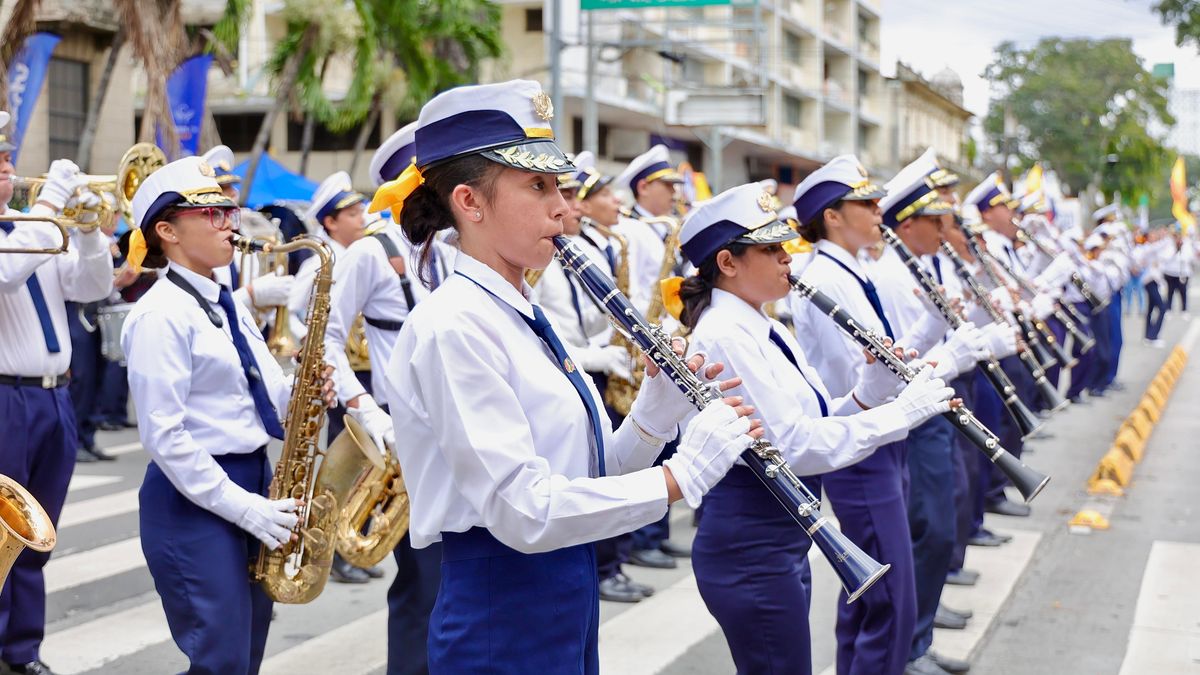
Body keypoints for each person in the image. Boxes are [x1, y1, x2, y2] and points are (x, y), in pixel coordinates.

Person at [369, 78, 759, 672]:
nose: (564, 207)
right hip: (503, 599)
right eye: (538, 186)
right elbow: (524, 510)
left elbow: (592, 473)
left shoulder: (522, 310)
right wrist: (685, 475)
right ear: (470, 203)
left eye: (560, 186)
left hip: (563, 584)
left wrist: (655, 417)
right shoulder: (453, 326)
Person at [676, 181, 955, 675]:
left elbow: (815, 420)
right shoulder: (723, 334)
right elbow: (795, 447)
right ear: (727, 262)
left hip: (778, 537)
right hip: (750, 543)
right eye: (770, 248)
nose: (788, 257)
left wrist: (871, 387)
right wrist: (901, 414)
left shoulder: (762, 326)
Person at [121, 155, 336, 674]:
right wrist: (245, 509)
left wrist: (303, 391)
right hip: (194, 499)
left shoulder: (224, 302)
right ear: (168, 231)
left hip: (252, 479)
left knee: (246, 652)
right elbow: (165, 436)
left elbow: (257, 392)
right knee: (219, 657)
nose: (229, 222)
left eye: (227, 211)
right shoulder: (158, 315)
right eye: (211, 214)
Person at [788, 155, 921, 675]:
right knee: (891, 603)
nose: (877, 209)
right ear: (832, 216)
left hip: (878, 439)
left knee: (868, 597)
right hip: (860, 445)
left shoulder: (855, 270)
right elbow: (857, 374)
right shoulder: (827, 278)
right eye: (864, 203)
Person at [322, 121, 448, 669]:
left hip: (453, 425)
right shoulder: (369, 252)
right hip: (401, 428)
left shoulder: (445, 249)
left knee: (456, 578)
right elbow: (321, 338)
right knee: (423, 582)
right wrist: (364, 408)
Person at [0, 110, 113, 675]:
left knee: (35, 534)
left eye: (7, 159)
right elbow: (7, 271)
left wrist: (90, 231)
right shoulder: (27, 233)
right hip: (3, 400)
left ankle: (22, 649)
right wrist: (50, 208)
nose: (9, 170)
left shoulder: (32, 227)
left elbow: (90, 285)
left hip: (52, 398)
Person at [531, 153, 654, 603]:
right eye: (562, 195)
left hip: (600, 363)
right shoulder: (538, 258)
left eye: (571, 195)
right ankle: (604, 565)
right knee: (587, 474)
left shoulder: (581, 249)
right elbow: (546, 330)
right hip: (572, 370)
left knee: (610, 464)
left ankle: (613, 560)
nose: (571, 207)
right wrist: (594, 358)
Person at [611, 144, 690, 569]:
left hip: (665, 332)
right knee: (644, 441)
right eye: (667, 186)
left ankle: (655, 532)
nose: (674, 193)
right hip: (646, 339)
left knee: (664, 437)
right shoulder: (637, 231)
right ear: (644, 188)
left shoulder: (660, 228)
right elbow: (638, 292)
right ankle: (642, 538)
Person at [1163, 229, 1194, 315]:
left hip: (1183, 273)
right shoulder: (1169, 245)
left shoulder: (1187, 245)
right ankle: (1168, 309)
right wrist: (1175, 250)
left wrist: (1181, 250)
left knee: (1183, 292)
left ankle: (1184, 310)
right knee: (1170, 292)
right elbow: (1165, 257)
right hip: (1170, 273)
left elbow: (1189, 257)